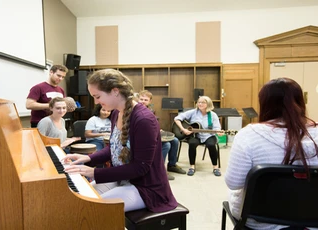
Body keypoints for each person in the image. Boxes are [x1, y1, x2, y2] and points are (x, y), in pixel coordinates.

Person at [62, 69, 177, 212]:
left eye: (97, 96)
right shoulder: (116, 112)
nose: (96, 102)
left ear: (115, 91)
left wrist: (93, 172)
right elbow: (113, 148)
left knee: (90, 210)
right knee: (81, 198)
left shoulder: (144, 120)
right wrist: (87, 158)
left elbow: (140, 167)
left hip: (145, 187)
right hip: (122, 178)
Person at [225, 77, 318, 230]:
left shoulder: (248, 135)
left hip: (261, 222)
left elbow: (234, 183)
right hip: (317, 222)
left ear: (265, 104)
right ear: (301, 102)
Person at [137, 90, 186, 181]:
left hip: (152, 133)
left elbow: (152, 124)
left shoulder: (151, 111)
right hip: (141, 137)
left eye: (146, 100)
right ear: (137, 99)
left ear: (150, 101)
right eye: (141, 99)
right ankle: (159, 170)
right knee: (166, 145)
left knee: (175, 140)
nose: (143, 101)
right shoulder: (135, 110)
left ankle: (172, 165)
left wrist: (158, 130)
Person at [174, 96, 223, 176]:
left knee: (211, 145)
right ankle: (192, 166)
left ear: (208, 104)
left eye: (203, 102)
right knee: (192, 144)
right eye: (199, 102)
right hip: (195, 135)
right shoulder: (193, 112)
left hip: (208, 135)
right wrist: (183, 129)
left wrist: (218, 132)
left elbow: (217, 128)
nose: (200, 104)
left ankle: (215, 167)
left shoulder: (213, 115)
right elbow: (177, 118)